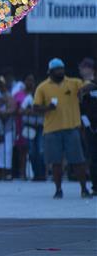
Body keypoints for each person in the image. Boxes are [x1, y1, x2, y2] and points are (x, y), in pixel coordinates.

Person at [33, 58, 96, 198]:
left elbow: (90, 86)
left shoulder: (73, 83)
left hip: (71, 128)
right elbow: (35, 107)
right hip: (52, 130)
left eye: (62, 69)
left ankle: (84, 189)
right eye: (57, 69)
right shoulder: (42, 87)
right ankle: (58, 189)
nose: (60, 71)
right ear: (50, 71)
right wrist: (48, 108)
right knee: (56, 163)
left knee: (78, 161)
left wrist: (84, 89)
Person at [15, 74, 45, 180]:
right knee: (32, 150)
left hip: (40, 126)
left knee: (41, 150)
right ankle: (36, 174)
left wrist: (39, 111)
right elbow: (20, 110)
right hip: (30, 126)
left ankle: (42, 174)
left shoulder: (43, 97)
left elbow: (46, 109)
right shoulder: (28, 98)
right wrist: (30, 111)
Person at [79, 57, 97, 193]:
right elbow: (82, 109)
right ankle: (95, 186)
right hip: (91, 128)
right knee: (93, 156)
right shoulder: (86, 88)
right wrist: (87, 125)